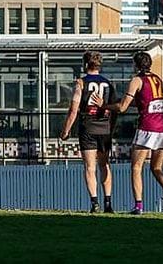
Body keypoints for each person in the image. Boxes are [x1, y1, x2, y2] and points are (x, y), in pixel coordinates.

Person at [108, 51, 163, 214]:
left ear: (135, 65)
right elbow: (148, 101)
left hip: (148, 126)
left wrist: (105, 106)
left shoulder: (137, 80)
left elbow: (122, 107)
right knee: (156, 168)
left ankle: (138, 206)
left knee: (136, 167)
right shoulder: (157, 79)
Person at [60, 50, 115, 213]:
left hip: (88, 127)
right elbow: (114, 107)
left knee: (90, 167)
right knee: (105, 165)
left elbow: (74, 109)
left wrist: (65, 130)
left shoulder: (81, 83)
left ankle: (94, 203)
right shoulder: (107, 83)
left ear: (85, 64)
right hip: (104, 127)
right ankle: (108, 203)